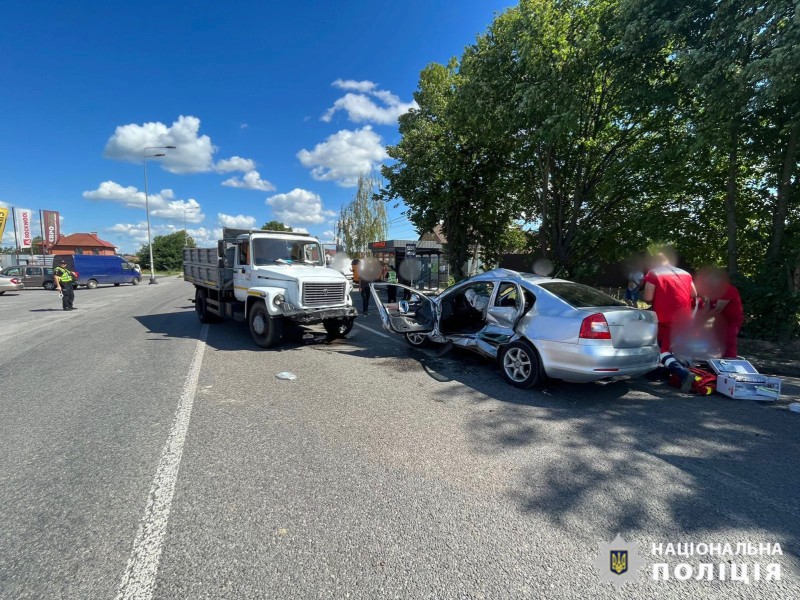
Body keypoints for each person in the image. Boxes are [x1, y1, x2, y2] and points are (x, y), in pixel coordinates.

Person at [642, 246, 697, 390]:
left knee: (660, 349)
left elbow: (648, 298)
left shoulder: (654, 273)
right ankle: (659, 374)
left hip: (665, 317)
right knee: (671, 347)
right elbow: (693, 294)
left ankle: (682, 373)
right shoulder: (685, 273)